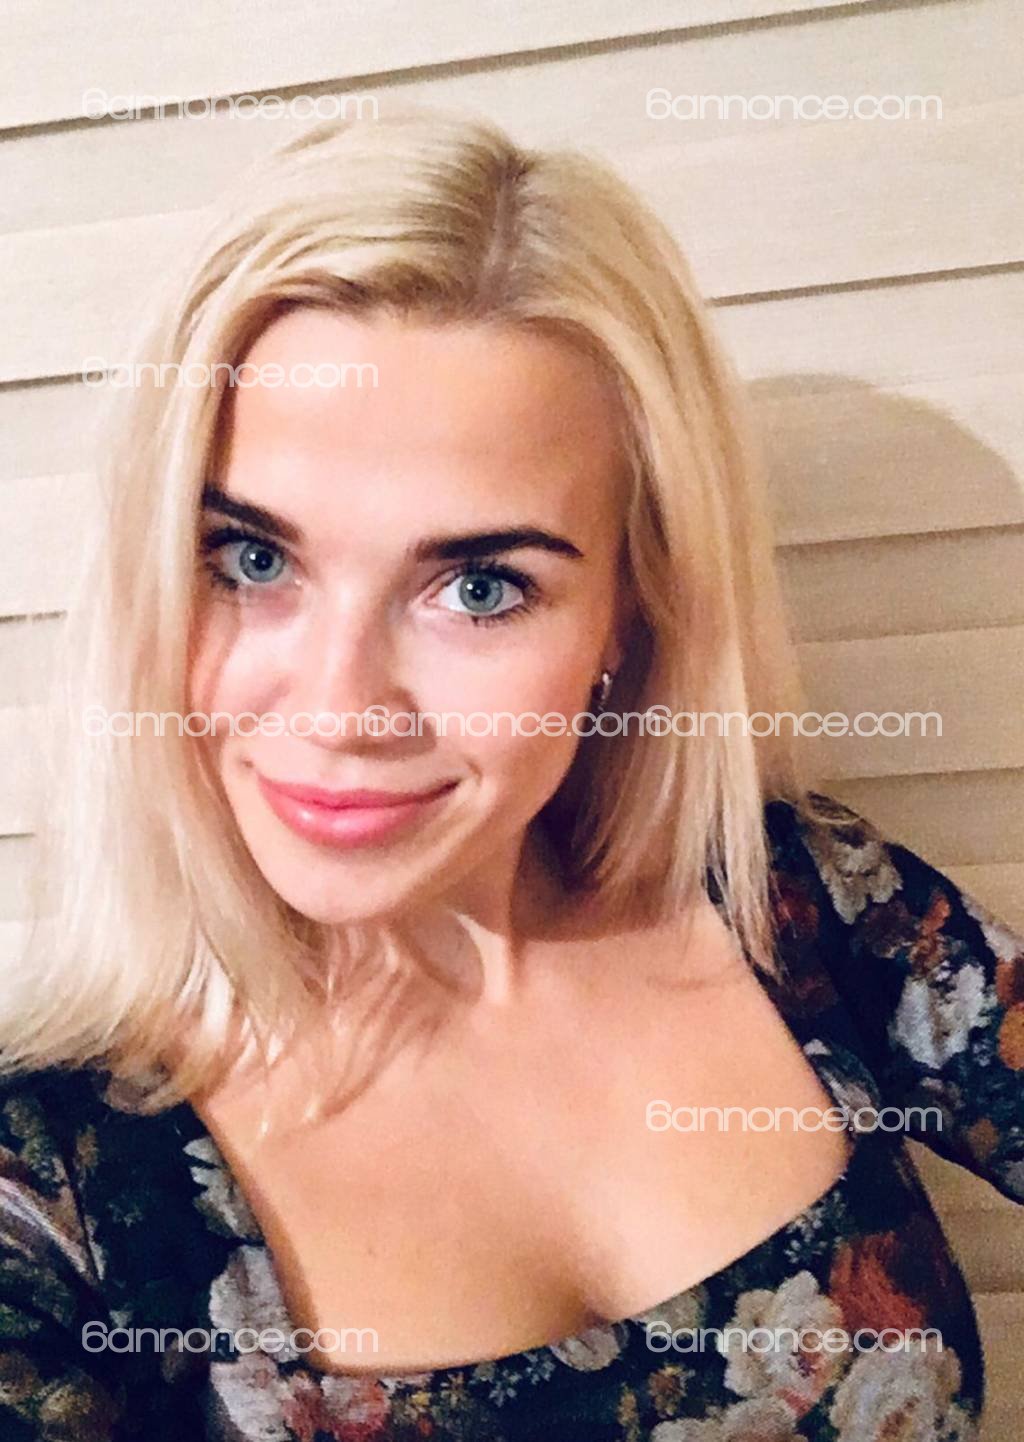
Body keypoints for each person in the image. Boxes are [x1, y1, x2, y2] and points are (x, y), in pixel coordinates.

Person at [1, 107, 1021, 1442]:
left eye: (479, 586)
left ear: (628, 614)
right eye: (253, 559)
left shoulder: (800, 900)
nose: (340, 707)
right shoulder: (53, 1195)